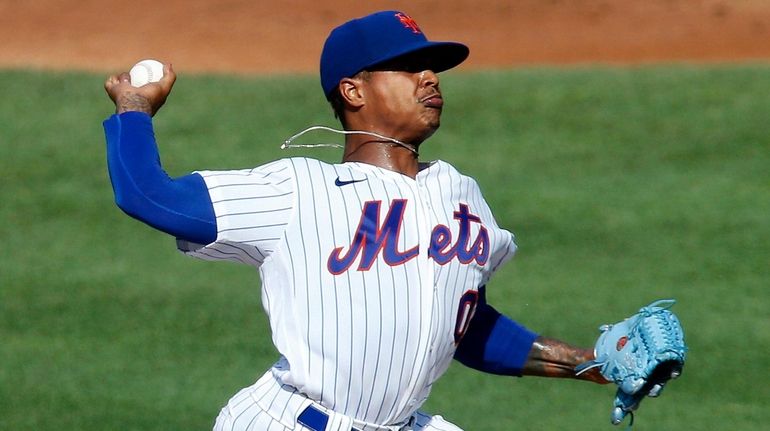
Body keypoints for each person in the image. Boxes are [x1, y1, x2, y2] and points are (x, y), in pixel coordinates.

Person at [103, 10, 610, 431]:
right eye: (407, 67)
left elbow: (459, 323)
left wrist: (588, 363)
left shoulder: (463, 196)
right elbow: (151, 196)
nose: (429, 78)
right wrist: (133, 107)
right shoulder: (296, 191)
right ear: (354, 91)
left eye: (431, 67)